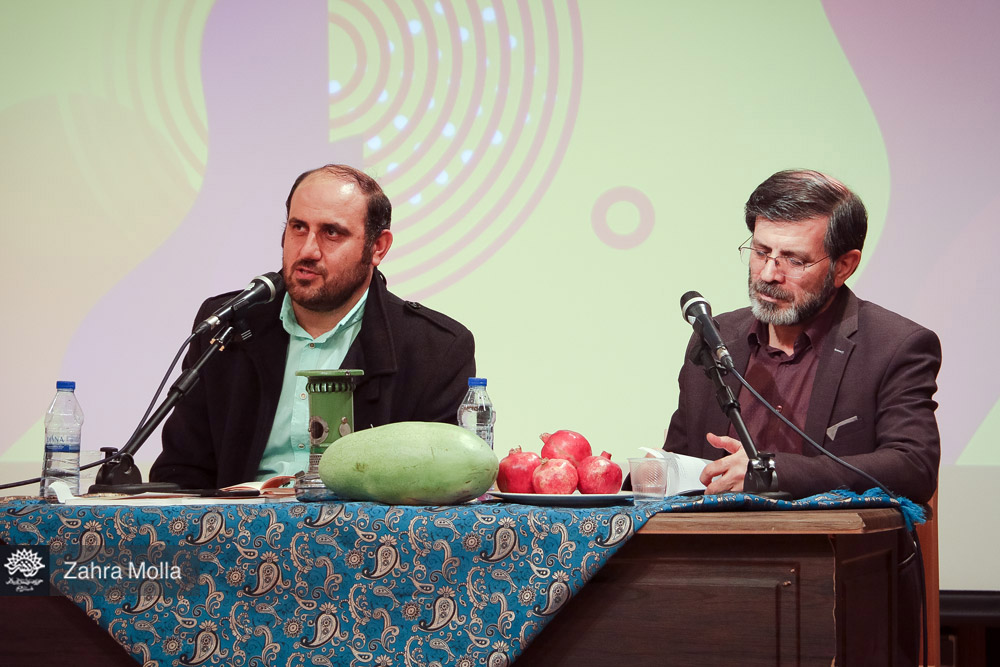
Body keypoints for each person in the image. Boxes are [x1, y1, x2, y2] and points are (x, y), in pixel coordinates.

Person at [663, 169, 940, 665]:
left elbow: (912, 466)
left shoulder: (895, 346)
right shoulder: (716, 338)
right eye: (761, 251)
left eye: (794, 259)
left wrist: (770, 473)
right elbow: (681, 460)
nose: (769, 274)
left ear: (844, 264)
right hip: (711, 596)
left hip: (839, 603)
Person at [150, 164, 476, 489]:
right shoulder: (228, 325)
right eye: (298, 227)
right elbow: (181, 472)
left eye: (332, 232)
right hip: (235, 520)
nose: (307, 250)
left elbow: (442, 485)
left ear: (377, 247)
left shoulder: (435, 349)